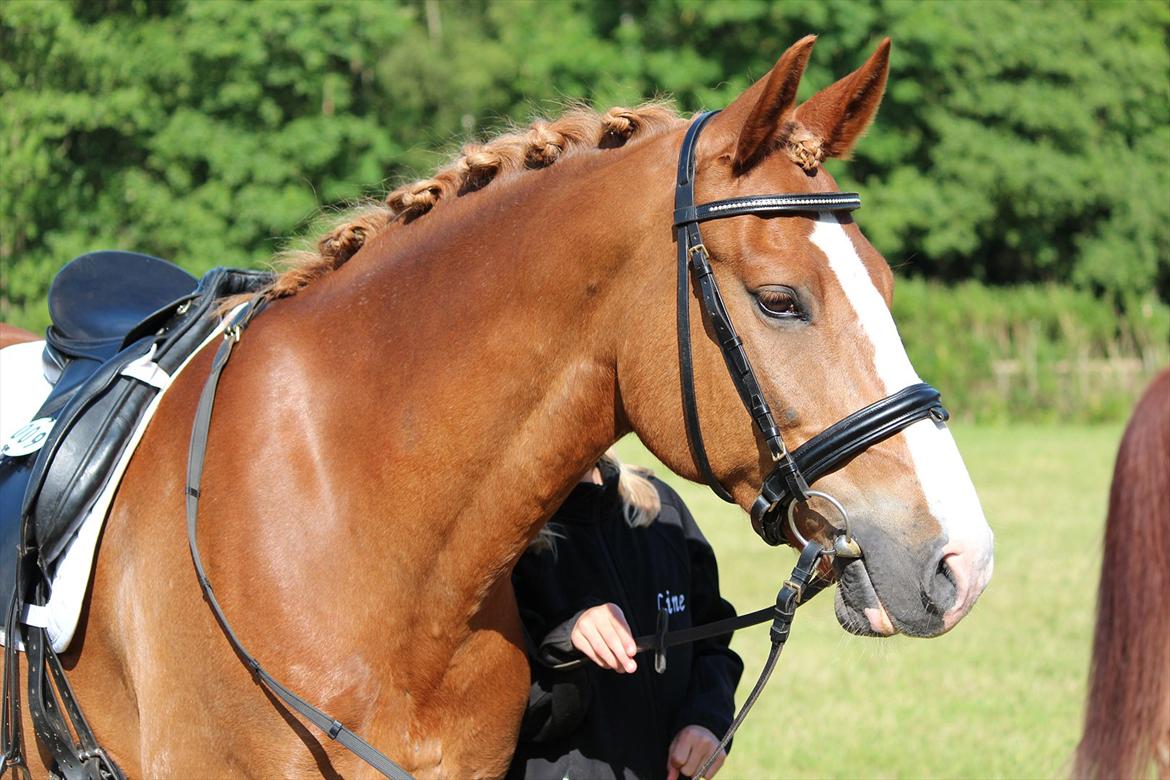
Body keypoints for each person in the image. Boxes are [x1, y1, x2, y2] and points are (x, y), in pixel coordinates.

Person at [509, 450, 744, 780]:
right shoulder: (505, 538)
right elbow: (505, 709)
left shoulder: (661, 507)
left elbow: (712, 639)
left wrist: (707, 720)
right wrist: (566, 641)